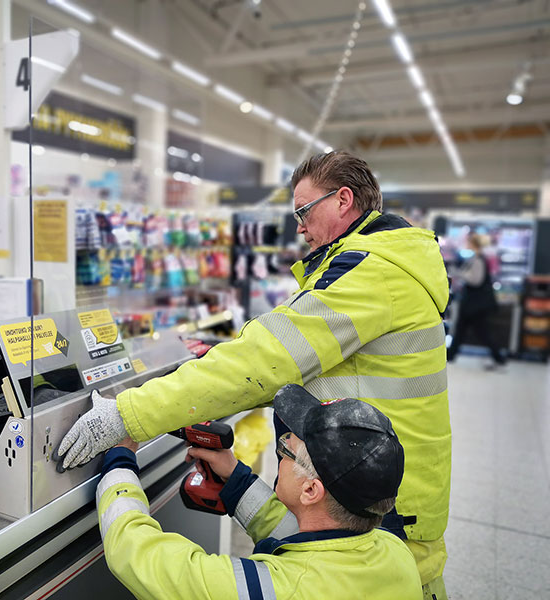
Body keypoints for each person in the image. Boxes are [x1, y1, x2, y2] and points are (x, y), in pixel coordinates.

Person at [58, 151, 451, 597]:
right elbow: (305, 538)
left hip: (380, 498)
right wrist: (237, 479)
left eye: (304, 210)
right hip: (377, 490)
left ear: (343, 200)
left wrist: (127, 417)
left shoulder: (373, 274)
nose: (299, 226)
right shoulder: (382, 263)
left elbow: (266, 359)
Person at [96, 384, 422, 600]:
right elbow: (306, 539)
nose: (280, 454)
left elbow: (137, 554)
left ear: (310, 489)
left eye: (286, 449)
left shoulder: (272, 590)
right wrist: (237, 483)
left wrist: (120, 464)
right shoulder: (395, 553)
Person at [446, 233, 505, 368]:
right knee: (463, 329)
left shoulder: (478, 260)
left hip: (475, 304)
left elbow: (476, 281)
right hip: (473, 303)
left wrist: (458, 273)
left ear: (473, 244)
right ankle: (451, 354)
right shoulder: (476, 258)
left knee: (481, 331)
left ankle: (498, 356)